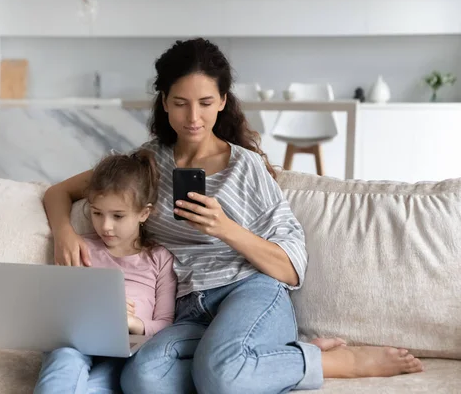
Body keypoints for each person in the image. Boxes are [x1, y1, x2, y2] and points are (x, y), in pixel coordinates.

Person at [43, 38, 423, 394]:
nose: (193, 117)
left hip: (251, 292)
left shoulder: (246, 167)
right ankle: (263, 359)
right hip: (190, 309)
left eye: (205, 102)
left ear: (223, 101)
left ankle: (334, 362)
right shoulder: (146, 164)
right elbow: (59, 191)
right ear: (164, 102)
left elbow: (291, 267)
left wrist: (225, 228)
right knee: (143, 379)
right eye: (180, 102)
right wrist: (65, 233)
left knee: (221, 375)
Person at [34, 150, 177, 394]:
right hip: (75, 344)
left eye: (118, 216)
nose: (105, 226)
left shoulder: (159, 259)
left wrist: (134, 323)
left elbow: (166, 323)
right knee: (64, 362)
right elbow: (58, 304)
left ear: (144, 213)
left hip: (125, 350)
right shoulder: (81, 247)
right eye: (97, 213)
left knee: (98, 386)